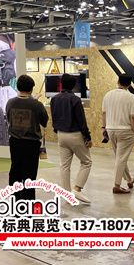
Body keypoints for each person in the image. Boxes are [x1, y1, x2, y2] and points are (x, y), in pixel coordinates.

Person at [50, 73, 92, 204]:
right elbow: (81, 120)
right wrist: (87, 136)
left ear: (61, 84)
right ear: (74, 85)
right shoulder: (75, 99)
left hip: (61, 135)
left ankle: (67, 193)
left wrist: (57, 130)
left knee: (64, 165)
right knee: (86, 162)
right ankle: (77, 189)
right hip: (75, 134)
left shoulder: (54, 99)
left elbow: (53, 117)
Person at [6, 75, 48, 201]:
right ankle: (28, 204)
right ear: (31, 89)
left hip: (15, 142)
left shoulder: (10, 103)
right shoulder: (37, 105)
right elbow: (44, 121)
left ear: (18, 87)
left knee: (15, 172)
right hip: (31, 144)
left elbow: (9, 119)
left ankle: (15, 201)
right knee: (29, 176)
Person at [102, 74, 134, 194]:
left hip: (110, 129)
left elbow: (104, 113)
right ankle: (117, 185)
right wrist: (133, 131)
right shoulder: (132, 97)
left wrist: (104, 127)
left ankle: (129, 179)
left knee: (120, 157)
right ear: (130, 85)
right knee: (121, 158)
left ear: (117, 81)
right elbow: (133, 116)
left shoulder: (108, 95)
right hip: (125, 130)